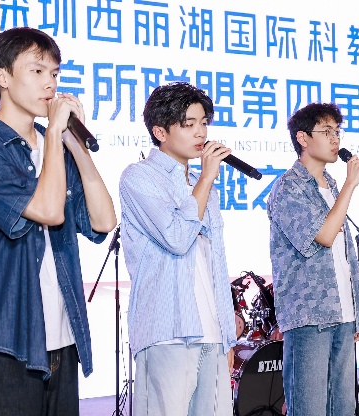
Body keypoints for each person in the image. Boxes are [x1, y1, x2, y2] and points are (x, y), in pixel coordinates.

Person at [0, 27, 117, 416]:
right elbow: (48, 211)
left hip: (62, 336)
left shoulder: (55, 144)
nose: (50, 83)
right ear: (3, 77)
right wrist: (55, 135)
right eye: (38, 71)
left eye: (54, 73)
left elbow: (103, 221)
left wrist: (75, 145)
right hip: (6, 339)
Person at [119, 81, 237, 416]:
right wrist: (206, 179)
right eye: (189, 124)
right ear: (160, 132)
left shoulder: (202, 185)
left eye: (204, 123)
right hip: (167, 332)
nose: (201, 132)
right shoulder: (139, 177)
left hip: (210, 331)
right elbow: (176, 238)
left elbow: (214, 264)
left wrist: (226, 333)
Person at [267, 102, 359, 415]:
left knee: (343, 406)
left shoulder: (332, 186)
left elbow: (344, 256)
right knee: (309, 407)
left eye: (337, 132)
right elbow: (324, 236)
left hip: (342, 313)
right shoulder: (288, 187)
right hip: (309, 315)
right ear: (303, 138)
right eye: (326, 132)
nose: (335, 139)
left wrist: (355, 310)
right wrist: (352, 183)